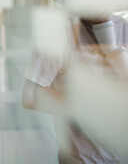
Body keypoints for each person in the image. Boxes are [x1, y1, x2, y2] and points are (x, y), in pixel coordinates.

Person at [22, 10, 128, 163]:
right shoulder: (58, 35)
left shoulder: (123, 26)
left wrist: (109, 43)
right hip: (83, 158)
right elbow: (30, 96)